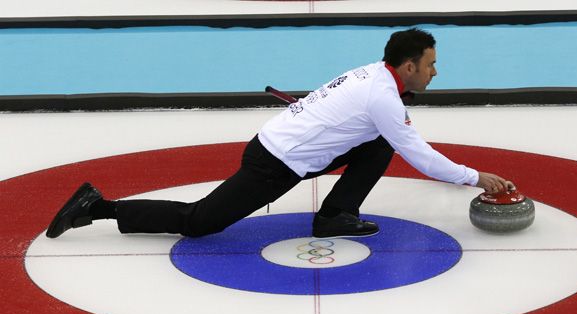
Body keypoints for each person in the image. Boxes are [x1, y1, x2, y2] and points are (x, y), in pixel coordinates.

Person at [46, 27, 514, 240]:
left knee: (377, 144)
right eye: (431, 64)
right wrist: (476, 177)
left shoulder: (377, 75)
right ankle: (99, 207)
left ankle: (335, 216)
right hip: (276, 161)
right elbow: (422, 157)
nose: (436, 71)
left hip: (292, 147)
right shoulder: (383, 97)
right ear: (408, 65)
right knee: (200, 223)